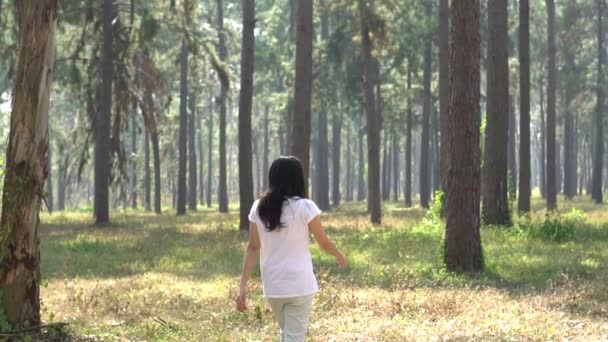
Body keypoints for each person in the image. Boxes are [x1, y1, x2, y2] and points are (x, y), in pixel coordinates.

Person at [236, 156, 347, 341]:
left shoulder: (259, 207)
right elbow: (322, 241)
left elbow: (253, 247)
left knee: (287, 334)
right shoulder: (305, 207)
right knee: (293, 337)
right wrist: (338, 254)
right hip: (299, 285)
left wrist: (242, 287)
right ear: (298, 179)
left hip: (273, 286)